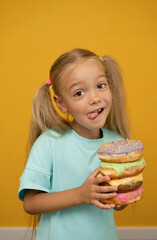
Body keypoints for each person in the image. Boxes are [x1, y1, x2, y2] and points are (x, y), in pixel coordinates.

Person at [18, 48, 130, 240]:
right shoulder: (50, 143)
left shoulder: (117, 143)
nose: (95, 98)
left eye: (101, 85)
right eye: (79, 93)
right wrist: (81, 194)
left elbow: (119, 204)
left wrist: (123, 194)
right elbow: (30, 204)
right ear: (61, 104)